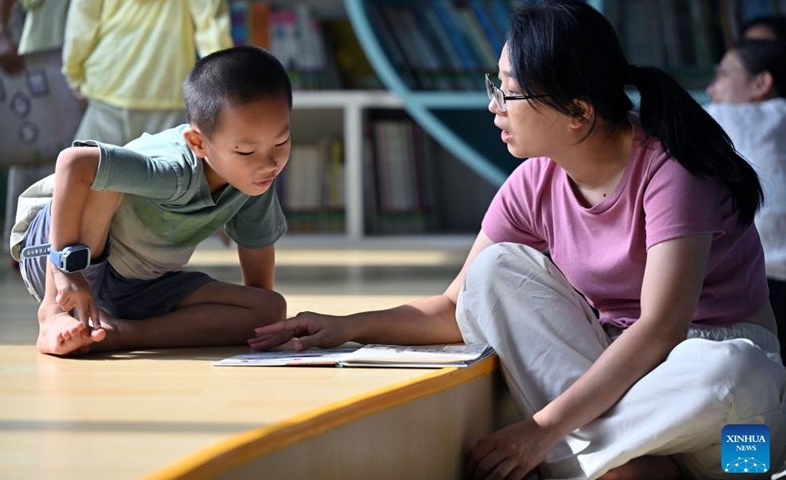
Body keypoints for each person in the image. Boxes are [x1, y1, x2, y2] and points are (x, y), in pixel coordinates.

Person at [250, 1, 786, 479]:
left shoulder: (672, 171)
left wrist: (541, 430)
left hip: (731, 429)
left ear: (577, 113)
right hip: (618, 386)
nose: (494, 106)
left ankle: (585, 460)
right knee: (494, 271)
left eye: (507, 91)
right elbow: (456, 304)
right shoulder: (534, 182)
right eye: (495, 86)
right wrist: (345, 326)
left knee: (730, 376)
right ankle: (622, 464)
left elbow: (661, 330)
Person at [9, 46, 291, 357]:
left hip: (138, 284)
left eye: (281, 142)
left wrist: (257, 324)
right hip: (57, 251)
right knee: (108, 176)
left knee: (270, 310)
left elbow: (258, 291)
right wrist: (64, 273)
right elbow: (73, 163)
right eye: (246, 152)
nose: (268, 164)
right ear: (198, 143)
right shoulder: (173, 169)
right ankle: (54, 314)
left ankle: (123, 333)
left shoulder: (254, 179)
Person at [705, 39, 786, 363]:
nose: (712, 90)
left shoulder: (727, 118)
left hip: (756, 285)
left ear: (761, 83)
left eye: (722, 75)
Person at [62, 0, 232, 147]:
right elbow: (211, 25)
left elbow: (82, 21)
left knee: (88, 173)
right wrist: (220, 86)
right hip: (168, 86)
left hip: (110, 85)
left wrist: (73, 72)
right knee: (165, 178)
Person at [0, 0, 71, 256]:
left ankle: (68, 248)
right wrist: (1, 36)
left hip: (89, 75)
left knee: (78, 165)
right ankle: (22, 247)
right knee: (32, 165)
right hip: (39, 70)